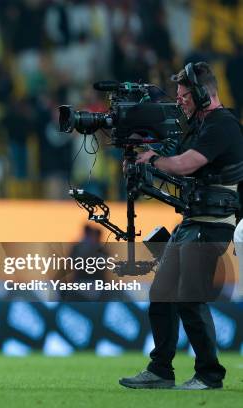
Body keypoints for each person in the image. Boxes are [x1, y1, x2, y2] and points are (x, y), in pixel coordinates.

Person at [120, 62, 243, 390]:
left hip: (214, 223)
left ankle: (209, 375)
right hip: (193, 220)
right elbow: (173, 156)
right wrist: (142, 159)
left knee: (190, 296)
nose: (180, 101)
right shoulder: (198, 126)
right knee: (162, 293)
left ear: (204, 93)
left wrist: (154, 161)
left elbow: (187, 164)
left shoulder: (223, 126)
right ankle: (161, 370)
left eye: (185, 95)